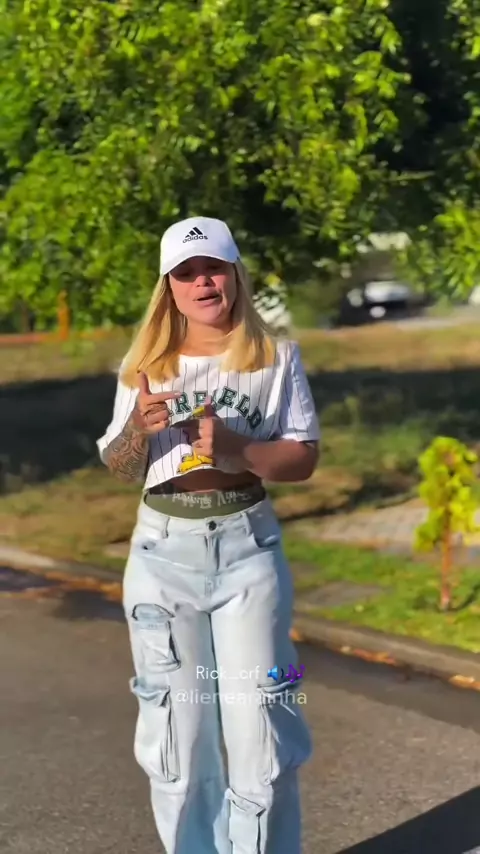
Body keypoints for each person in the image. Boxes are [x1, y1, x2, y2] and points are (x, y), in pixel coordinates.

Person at [97, 216, 320, 854]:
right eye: (186, 273)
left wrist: (238, 449)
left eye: (213, 269)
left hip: (249, 552)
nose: (202, 283)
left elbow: (302, 459)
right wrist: (137, 429)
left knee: (263, 734)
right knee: (179, 739)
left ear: (235, 275)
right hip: (163, 556)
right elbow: (120, 466)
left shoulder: (275, 358)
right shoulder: (144, 366)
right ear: (168, 288)